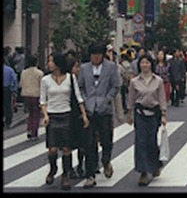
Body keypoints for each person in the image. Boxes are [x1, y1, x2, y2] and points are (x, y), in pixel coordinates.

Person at [40, 51, 89, 190]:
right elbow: (43, 100)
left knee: (67, 148)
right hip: (52, 115)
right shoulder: (45, 80)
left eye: (51, 61)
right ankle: (53, 168)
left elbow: (78, 98)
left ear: (58, 63)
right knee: (53, 148)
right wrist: (45, 115)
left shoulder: (70, 78)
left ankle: (65, 175)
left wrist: (84, 115)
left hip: (67, 115)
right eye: (48, 61)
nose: (49, 64)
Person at [77, 43, 121, 189]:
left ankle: (106, 160)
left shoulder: (111, 67)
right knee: (89, 143)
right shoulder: (84, 68)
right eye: (93, 54)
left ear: (103, 55)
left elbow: (116, 86)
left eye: (98, 54)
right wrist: (84, 99)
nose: (95, 57)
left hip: (104, 110)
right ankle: (90, 175)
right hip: (89, 110)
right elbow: (80, 86)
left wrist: (107, 99)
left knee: (106, 139)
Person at [126, 54, 168, 186]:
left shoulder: (158, 81)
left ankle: (155, 165)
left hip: (154, 113)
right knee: (140, 141)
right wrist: (129, 113)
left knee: (151, 141)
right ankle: (143, 172)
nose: (144, 65)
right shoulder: (134, 81)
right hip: (140, 113)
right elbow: (131, 98)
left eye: (147, 63)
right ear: (139, 65)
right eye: (142, 63)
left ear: (151, 64)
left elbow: (161, 98)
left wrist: (163, 114)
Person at [19, 54, 44, 140]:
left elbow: (21, 84)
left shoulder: (23, 72)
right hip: (36, 95)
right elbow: (42, 85)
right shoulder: (39, 73)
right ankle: (34, 132)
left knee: (29, 114)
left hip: (26, 94)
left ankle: (29, 130)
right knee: (36, 114)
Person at [3, 55, 19, 129]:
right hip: (7, 88)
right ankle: (8, 121)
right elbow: (14, 80)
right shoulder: (9, 70)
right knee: (7, 105)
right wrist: (14, 89)